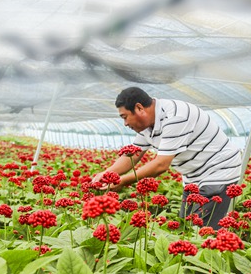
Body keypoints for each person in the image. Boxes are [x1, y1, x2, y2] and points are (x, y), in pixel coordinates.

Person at [91, 87, 243, 229]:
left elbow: (161, 165)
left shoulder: (176, 117)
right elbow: (133, 154)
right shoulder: (147, 125)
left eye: (125, 117)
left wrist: (123, 181)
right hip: (193, 176)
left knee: (201, 231)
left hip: (219, 171)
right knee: (185, 228)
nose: (125, 123)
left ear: (139, 108)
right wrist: (107, 174)